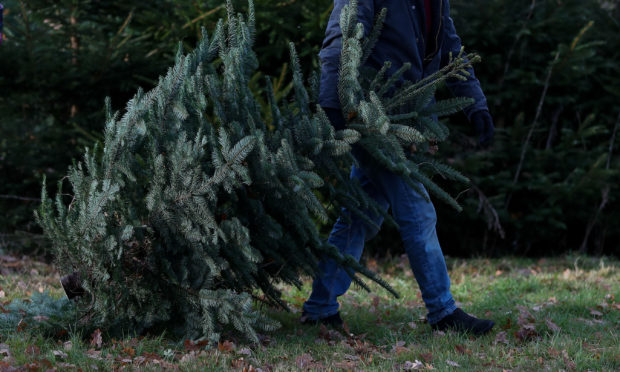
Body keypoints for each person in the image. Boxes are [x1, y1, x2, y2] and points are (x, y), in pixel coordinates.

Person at [300, 0, 495, 336]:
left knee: (360, 216)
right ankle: (443, 312)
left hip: (410, 121)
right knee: (418, 212)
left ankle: (319, 307)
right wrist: (332, 103)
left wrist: (475, 104)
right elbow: (341, 37)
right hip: (373, 119)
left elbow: (449, 45)